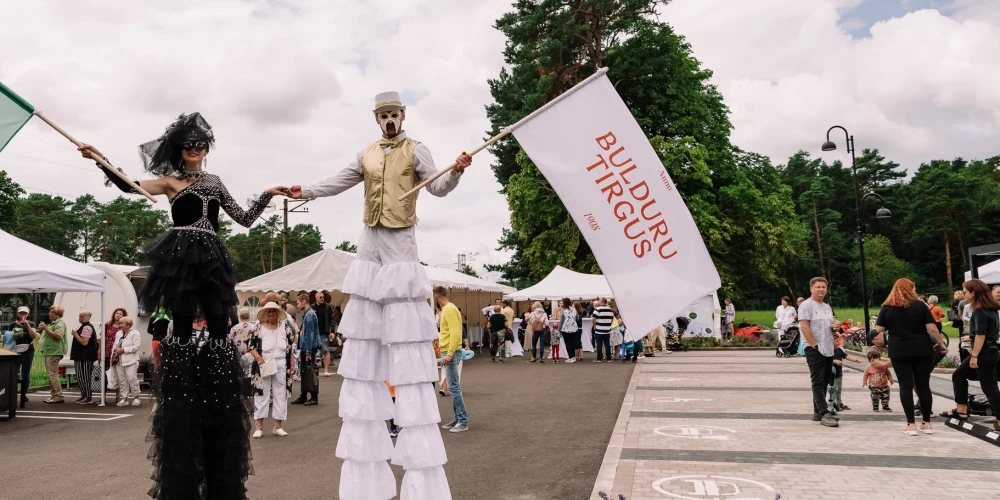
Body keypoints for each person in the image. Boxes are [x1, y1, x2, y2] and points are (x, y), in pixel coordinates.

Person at [79, 112, 283, 498]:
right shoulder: (170, 182)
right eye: (189, 145)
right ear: (180, 150)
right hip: (182, 254)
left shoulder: (215, 182)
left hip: (213, 256)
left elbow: (243, 218)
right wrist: (101, 160)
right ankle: (183, 385)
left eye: (201, 145)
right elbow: (130, 186)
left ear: (207, 150)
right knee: (184, 325)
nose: (195, 150)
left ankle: (221, 386)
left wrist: (268, 194)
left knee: (221, 324)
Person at [284, 92, 470, 498]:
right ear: (376, 118)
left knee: (403, 313)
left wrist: (456, 172)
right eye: (383, 115)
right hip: (371, 236)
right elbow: (338, 180)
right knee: (366, 312)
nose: (389, 121)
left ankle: (415, 427)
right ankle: (368, 457)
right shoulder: (366, 153)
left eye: (394, 115)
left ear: (403, 116)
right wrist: (305, 192)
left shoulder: (416, 149)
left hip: (402, 237)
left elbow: (436, 186)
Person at [874, 278, 947, 436]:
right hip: (922, 348)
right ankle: (927, 423)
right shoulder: (920, 305)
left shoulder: (887, 306)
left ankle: (910, 424)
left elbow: (879, 328)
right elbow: (932, 328)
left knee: (905, 386)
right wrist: (941, 343)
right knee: (923, 385)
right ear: (911, 289)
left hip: (899, 350)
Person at [942, 279, 1000, 433]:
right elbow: (987, 332)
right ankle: (961, 409)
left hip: (983, 352)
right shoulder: (991, 308)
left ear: (974, 292)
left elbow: (981, 335)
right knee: (959, 375)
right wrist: (971, 337)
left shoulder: (980, 310)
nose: (964, 294)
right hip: (989, 348)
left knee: (989, 387)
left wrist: (974, 356)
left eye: (966, 291)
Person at [799, 277, 839, 428]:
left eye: (824, 287)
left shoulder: (827, 307)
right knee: (817, 380)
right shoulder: (806, 305)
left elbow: (828, 326)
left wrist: (835, 328)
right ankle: (824, 412)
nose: (821, 289)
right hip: (814, 348)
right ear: (811, 288)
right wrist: (814, 345)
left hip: (828, 347)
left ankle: (817, 412)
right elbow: (804, 326)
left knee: (825, 379)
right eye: (818, 287)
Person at [248, 302, 293, 438]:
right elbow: (251, 346)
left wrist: (292, 363)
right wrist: (259, 358)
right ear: (265, 314)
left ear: (278, 313)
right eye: (269, 312)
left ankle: (278, 426)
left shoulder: (285, 328)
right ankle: (259, 427)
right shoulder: (258, 328)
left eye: (274, 311)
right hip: (264, 364)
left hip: (281, 364)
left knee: (280, 393)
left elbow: (290, 346)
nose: (272, 314)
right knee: (262, 393)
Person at [436, 286, 468, 433]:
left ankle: (462, 421)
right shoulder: (450, 308)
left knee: (454, 387)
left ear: (436, 296)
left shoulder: (448, 309)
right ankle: (458, 419)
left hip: (450, 351)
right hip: (450, 350)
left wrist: (449, 354)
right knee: (454, 387)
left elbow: (455, 334)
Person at [292, 293, 320, 405]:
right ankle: (304, 395)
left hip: (309, 348)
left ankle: (313, 396)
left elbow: (309, 335)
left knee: (310, 371)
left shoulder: (309, 316)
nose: (297, 305)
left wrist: (308, 352)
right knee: (305, 371)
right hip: (306, 348)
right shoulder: (308, 314)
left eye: (298, 303)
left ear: (304, 301)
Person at [38, 305, 68, 404]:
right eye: (50, 312)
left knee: (52, 374)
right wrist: (43, 329)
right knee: (51, 374)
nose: (50, 314)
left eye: (53, 313)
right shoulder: (53, 323)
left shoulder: (60, 323)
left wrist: (46, 329)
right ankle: (54, 395)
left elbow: (58, 336)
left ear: (58, 314)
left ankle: (58, 395)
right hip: (49, 351)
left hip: (54, 352)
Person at [10, 306, 38, 408]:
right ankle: (13, 392)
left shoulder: (31, 324)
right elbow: (8, 336)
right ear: (17, 314)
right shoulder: (13, 324)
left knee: (25, 373)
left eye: (25, 314)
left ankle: (23, 393)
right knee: (14, 372)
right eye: (21, 313)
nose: (23, 315)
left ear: (28, 314)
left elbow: (34, 336)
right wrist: (15, 335)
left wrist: (27, 325)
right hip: (15, 350)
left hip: (28, 350)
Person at [69, 310, 99, 405]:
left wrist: (75, 334)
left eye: (82, 316)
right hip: (80, 355)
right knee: (80, 376)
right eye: (79, 316)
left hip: (86, 356)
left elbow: (84, 342)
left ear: (88, 317)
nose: (80, 318)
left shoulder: (87, 327)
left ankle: (88, 396)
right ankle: (84, 395)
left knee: (85, 377)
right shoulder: (83, 326)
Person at [112, 316, 142, 407]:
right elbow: (115, 344)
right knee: (122, 380)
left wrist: (124, 350)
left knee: (131, 378)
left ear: (129, 325)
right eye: (119, 323)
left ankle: (136, 397)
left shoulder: (135, 333)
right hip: (119, 360)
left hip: (131, 360)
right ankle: (124, 398)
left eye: (122, 323)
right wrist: (115, 350)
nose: (120, 325)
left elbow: (136, 347)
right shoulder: (118, 333)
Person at [229, 308, 256, 403]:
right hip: (251, 354)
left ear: (240, 316)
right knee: (249, 376)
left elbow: (230, 341)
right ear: (249, 316)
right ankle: (249, 397)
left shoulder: (234, 328)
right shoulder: (254, 327)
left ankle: (242, 398)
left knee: (240, 376)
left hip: (238, 355)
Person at [828, 334, 860, 413]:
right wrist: (834, 361)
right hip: (832, 374)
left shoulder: (839, 350)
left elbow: (846, 356)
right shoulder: (828, 351)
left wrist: (855, 360)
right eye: (836, 341)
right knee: (834, 390)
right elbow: (825, 361)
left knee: (839, 389)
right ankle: (834, 403)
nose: (838, 342)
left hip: (839, 373)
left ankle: (839, 402)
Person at [312, 291, 335, 377]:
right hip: (314, 332)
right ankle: (313, 369)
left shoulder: (328, 307)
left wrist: (332, 331)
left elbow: (332, 320)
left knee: (325, 350)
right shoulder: (312, 307)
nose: (322, 298)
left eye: (323, 297)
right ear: (316, 298)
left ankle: (326, 370)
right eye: (320, 297)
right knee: (313, 351)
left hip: (324, 332)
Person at [558, 297, 581, 363]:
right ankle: (573, 357)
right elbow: (577, 318)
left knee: (568, 343)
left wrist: (559, 330)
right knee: (573, 343)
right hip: (574, 328)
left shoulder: (563, 311)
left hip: (565, 329)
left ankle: (570, 357)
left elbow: (561, 321)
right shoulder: (574, 310)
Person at [592, 298, 615, 362]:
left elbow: (593, 318)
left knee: (599, 344)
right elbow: (612, 318)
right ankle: (609, 358)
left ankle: (599, 358)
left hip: (599, 329)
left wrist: (594, 326)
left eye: (599, 300)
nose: (598, 302)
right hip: (607, 329)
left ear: (601, 301)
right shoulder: (610, 310)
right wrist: (609, 324)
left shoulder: (597, 309)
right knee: (607, 344)